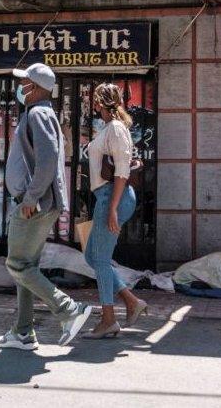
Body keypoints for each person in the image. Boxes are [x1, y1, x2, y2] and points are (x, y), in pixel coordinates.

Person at [0, 63, 92, 350]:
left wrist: (30, 198)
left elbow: (48, 160)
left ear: (34, 87)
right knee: (27, 266)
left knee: (16, 264)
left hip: (34, 205)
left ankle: (69, 310)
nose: (20, 87)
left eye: (24, 83)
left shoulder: (38, 113)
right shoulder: (40, 113)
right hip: (37, 202)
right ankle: (23, 332)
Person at [82, 83, 148, 339]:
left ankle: (108, 318)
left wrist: (111, 210)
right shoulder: (109, 128)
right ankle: (131, 302)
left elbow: (122, 172)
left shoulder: (117, 129)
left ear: (99, 103)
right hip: (109, 197)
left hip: (114, 198)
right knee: (92, 257)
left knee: (99, 259)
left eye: (95, 102)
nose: (94, 106)